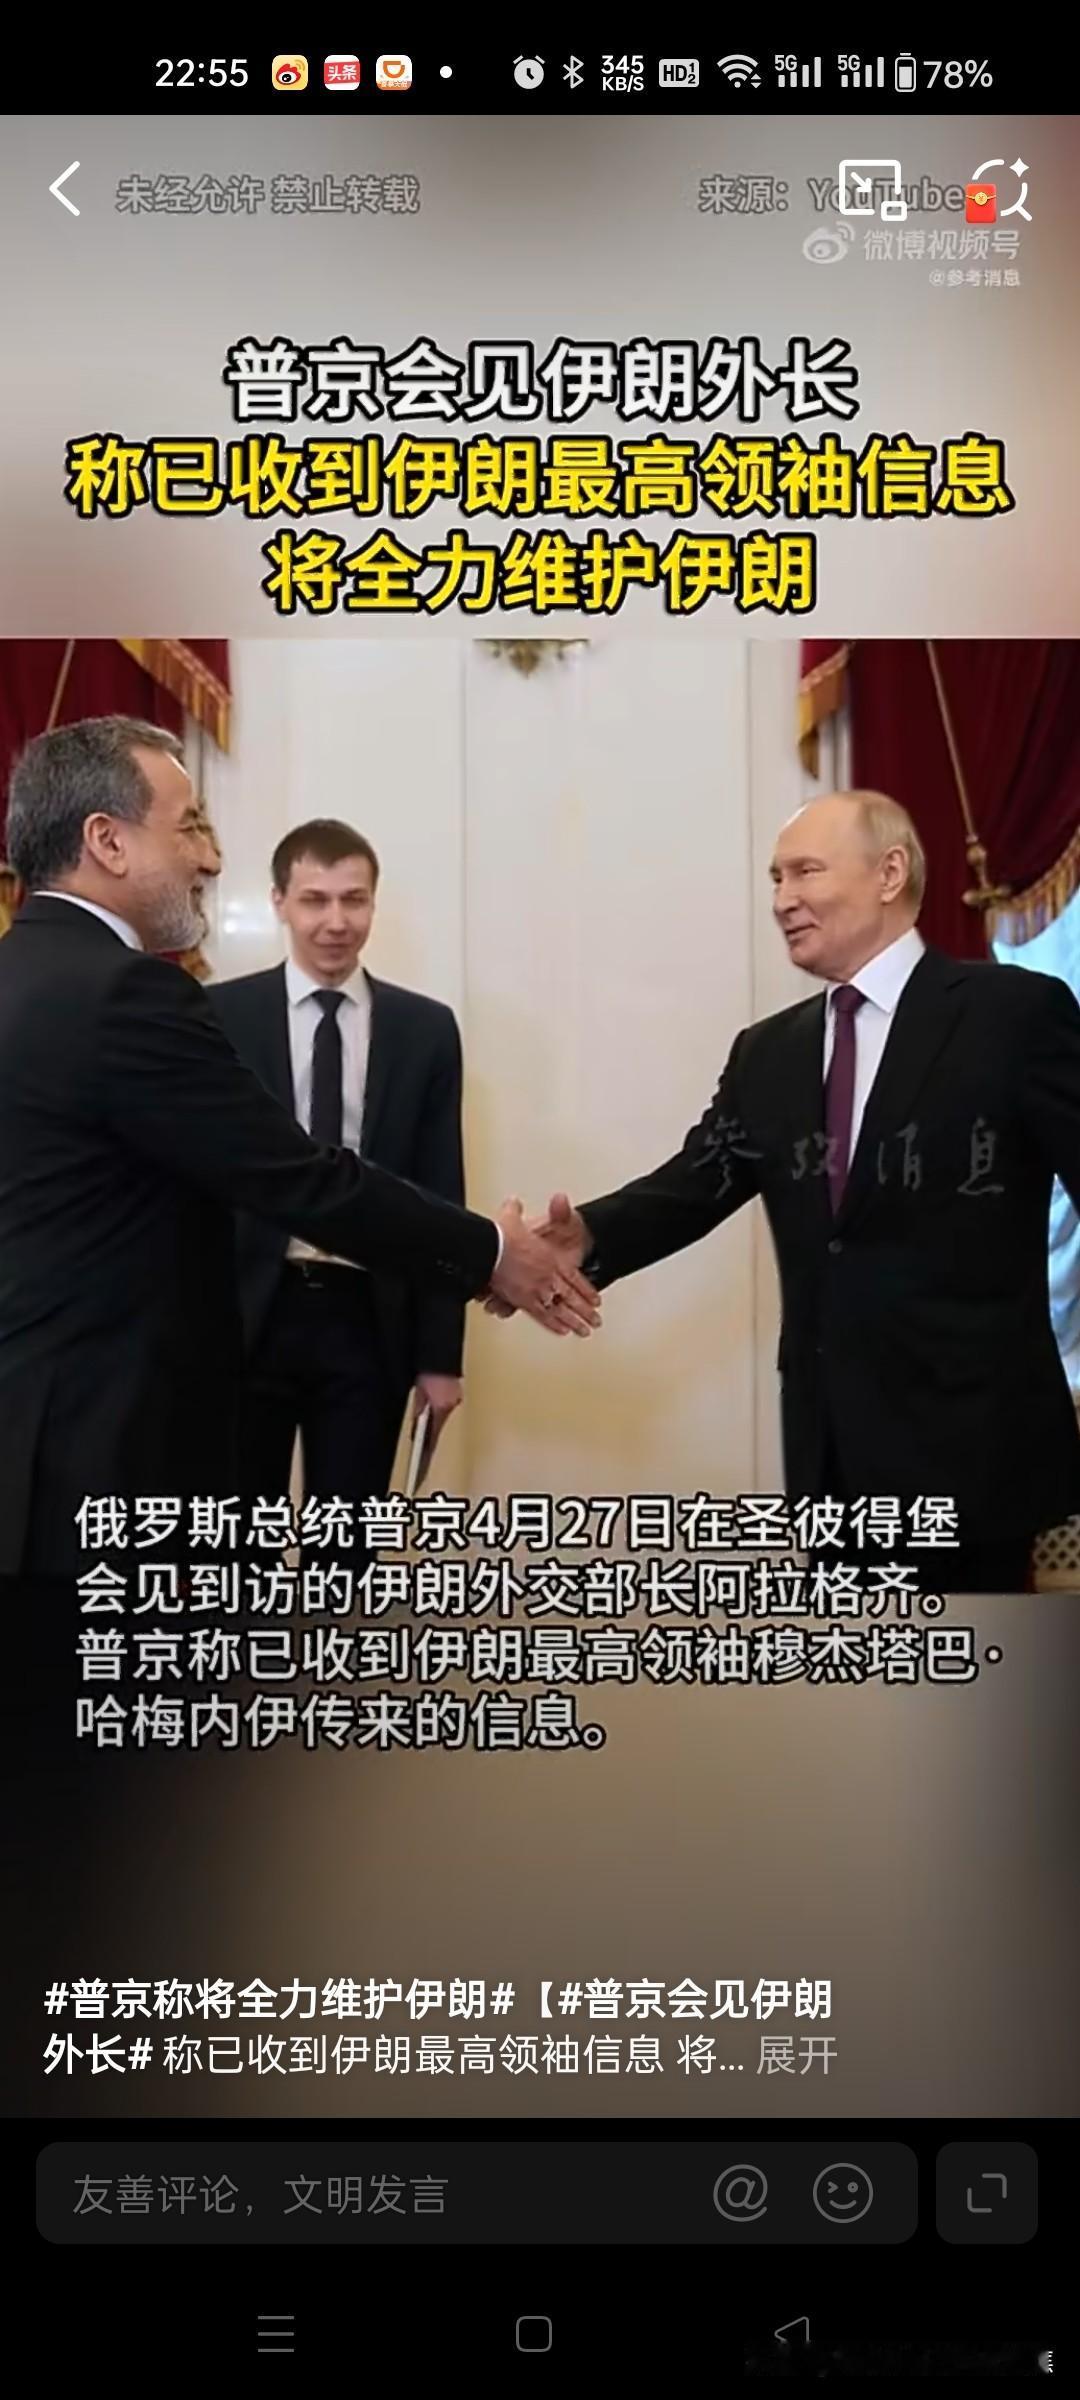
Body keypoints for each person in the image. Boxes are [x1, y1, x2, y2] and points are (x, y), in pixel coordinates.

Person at [0, 717, 599, 1584]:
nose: (210, 859)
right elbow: (299, 1178)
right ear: (108, 841)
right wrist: (494, 1253)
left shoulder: (21, 972)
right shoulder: (128, 993)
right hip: (100, 1445)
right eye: (190, 826)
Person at [523, 790, 1080, 1592]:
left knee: (969, 1670)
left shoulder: (1013, 1014)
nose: (783, 899)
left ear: (890, 873)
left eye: (806, 872)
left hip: (975, 1448)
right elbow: (697, 1183)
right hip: (832, 1455)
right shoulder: (768, 1052)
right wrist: (587, 1238)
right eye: (776, 879)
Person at [208, 819, 468, 1548]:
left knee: (346, 1548)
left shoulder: (424, 1029)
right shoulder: (219, 1016)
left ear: (374, 903)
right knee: (236, 1547)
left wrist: (440, 1357)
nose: (336, 921)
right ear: (279, 902)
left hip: (368, 1320)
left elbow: (441, 1194)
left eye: (353, 899)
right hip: (245, 1317)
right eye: (314, 900)